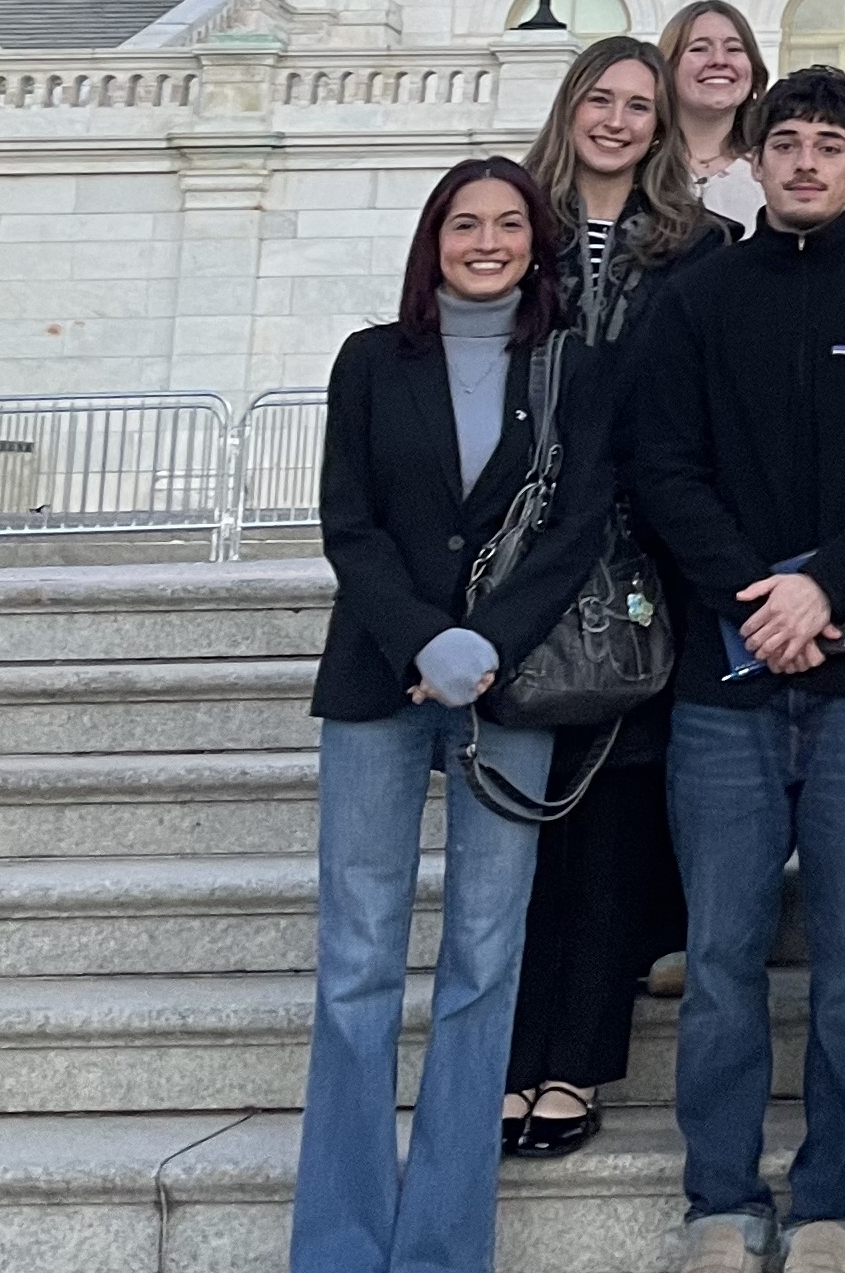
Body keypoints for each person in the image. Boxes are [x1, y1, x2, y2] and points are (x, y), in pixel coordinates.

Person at [621, 71, 845, 1273]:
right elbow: (661, 464)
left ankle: (829, 1195)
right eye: (789, 144)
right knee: (719, 956)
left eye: (832, 146)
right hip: (727, 678)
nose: (809, 162)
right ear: (755, 163)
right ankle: (721, 1198)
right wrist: (758, 598)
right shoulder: (699, 298)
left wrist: (827, 586)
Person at [296, 156, 618, 1273]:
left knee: (484, 958)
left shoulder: (577, 368)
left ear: (538, 242)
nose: (487, 242)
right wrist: (421, 637)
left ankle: (441, 1244)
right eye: (463, 224)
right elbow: (351, 523)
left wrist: (485, 643)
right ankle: (338, 1243)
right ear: (433, 242)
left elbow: (578, 526)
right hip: (379, 677)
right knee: (358, 959)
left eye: (508, 224)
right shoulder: (370, 362)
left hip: (511, 684)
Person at [505, 40, 735, 1160]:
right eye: (600, 98)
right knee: (517, 829)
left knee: (608, 827)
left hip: (637, 564)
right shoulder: (513, 222)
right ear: (571, 106)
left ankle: (577, 1062)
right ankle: (507, 1054)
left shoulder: (698, 251)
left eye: (639, 106)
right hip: (514, 563)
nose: (617, 120)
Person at [660, 0, 773, 231]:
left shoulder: (774, 171)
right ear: (668, 67)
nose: (719, 61)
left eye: (734, 49)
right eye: (699, 48)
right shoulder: (637, 168)